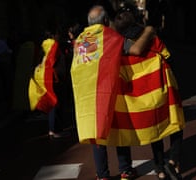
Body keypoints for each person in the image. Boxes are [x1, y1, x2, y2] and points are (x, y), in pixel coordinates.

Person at [70, 5, 155, 180]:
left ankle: (102, 175)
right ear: (106, 21)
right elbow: (137, 50)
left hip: (86, 94)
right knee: (118, 128)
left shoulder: (79, 41)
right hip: (109, 92)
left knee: (96, 132)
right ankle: (125, 169)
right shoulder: (111, 37)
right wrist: (148, 31)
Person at [113, 4, 185, 180]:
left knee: (155, 130)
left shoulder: (118, 48)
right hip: (161, 88)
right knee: (176, 124)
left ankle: (159, 169)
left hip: (141, 97)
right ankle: (174, 161)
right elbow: (168, 57)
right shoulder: (152, 38)